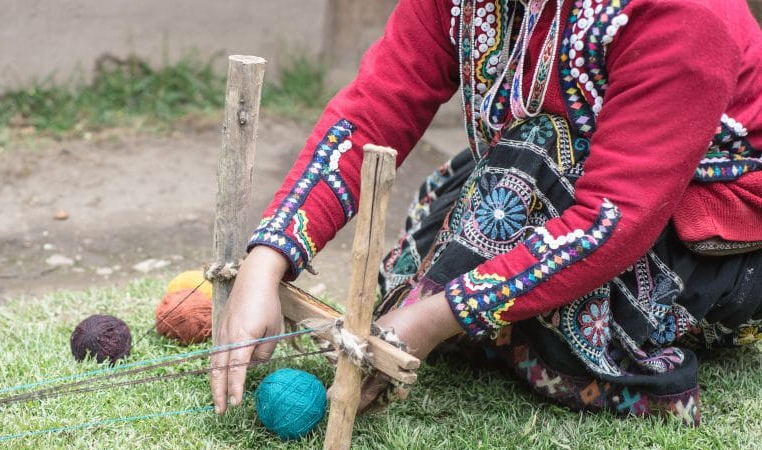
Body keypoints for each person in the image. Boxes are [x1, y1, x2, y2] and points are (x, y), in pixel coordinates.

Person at [211, 0, 762, 425]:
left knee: (526, 162)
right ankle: (492, 327)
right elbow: (375, 112)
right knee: (453, 219)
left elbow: (615, 218)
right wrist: (267, 260)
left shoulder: (684, 12)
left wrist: (426, 321)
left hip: (709, 243)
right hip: (565, 183)